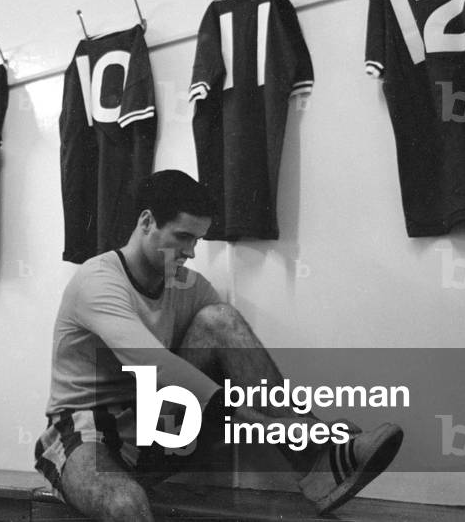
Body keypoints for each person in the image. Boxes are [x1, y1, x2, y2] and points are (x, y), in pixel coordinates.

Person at [35, 170, 403, 521]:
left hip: (151, 426)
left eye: (197, 240)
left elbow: (222, 362)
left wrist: (296, 424)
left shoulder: (189, 287)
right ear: (146, 223)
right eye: (182, 237)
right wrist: (262, 424)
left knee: (219, 320)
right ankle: (307, 439)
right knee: (125, 503)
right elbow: (154, 366)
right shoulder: (97, 280)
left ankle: (316, 457)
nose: (191, 251)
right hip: (85, 430)